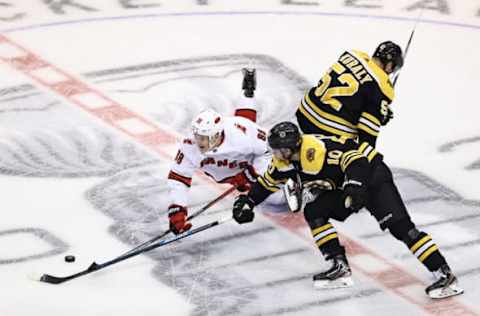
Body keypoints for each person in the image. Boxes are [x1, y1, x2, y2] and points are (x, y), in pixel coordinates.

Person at [231, 121, 463, 299]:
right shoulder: (285, 162)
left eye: (281, 151)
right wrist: (248, 201)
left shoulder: (318, 152)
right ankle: (339, 266)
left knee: (402, 229)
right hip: (348, 186)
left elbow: (356, 160)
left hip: (372, 178)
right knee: (314, 212)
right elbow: (266, 183)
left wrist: (355, 186)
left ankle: (445, 274)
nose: (277, 156)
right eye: (275, 151)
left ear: (294, 148)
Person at [167, 68, 283, 235]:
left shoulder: (240, 134)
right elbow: (178, 177)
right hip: (232, 172)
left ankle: (248, 92)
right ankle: (247, 89)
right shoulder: (190, 145)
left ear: (216, 135)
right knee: (245, 122)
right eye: (198, 136)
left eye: (204, 137)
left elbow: (269, 150)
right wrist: (177, 210)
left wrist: (253, 174)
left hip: (246, 163)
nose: (199, 141)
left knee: (273, 201)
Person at [296, 41, 402, 147]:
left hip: (304, 113)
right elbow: (367, 133)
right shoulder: (382, 86)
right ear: (389, 65)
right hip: (328, 130)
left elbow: (353, 91)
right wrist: (377, 114)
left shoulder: (353, 55)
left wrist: (376, 107)